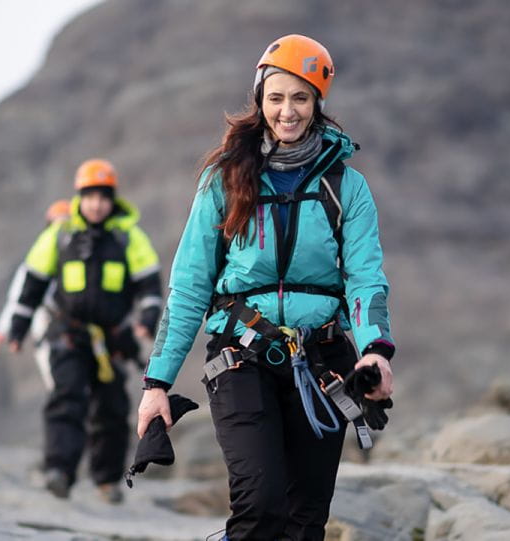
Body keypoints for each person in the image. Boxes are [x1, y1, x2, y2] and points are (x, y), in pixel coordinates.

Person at [137, 34, 395, 540]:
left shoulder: (347, 187)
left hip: (324, 366)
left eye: (301, 97)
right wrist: (156, 385)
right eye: (276, 97)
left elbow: (366, 277)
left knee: (305, 521)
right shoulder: (224, 180)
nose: (288, 111)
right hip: (241, 359)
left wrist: (375, 352)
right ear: (259, 100)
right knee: (260, 505)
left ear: (318, 102)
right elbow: (189, 288)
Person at [7, 159, 163, 503]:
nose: (96, 204)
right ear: (79, 197)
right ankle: (59, 472)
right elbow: (32, 283)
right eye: (90, 196)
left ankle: (107, 481)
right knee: (67, 398)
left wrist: (146, 320)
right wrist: (17, 329)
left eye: (103, 197)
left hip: (112, 340)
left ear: (112, 200)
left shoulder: (128, 237)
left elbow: (150, 286)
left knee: (111, 407)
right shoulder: (60, 235)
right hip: (68, 333)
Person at [0, 199, 71, 390]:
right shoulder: (35, 263)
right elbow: (19, 300)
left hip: (79, 326)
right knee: (58, 385)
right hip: (47, 325)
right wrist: (2, 335)